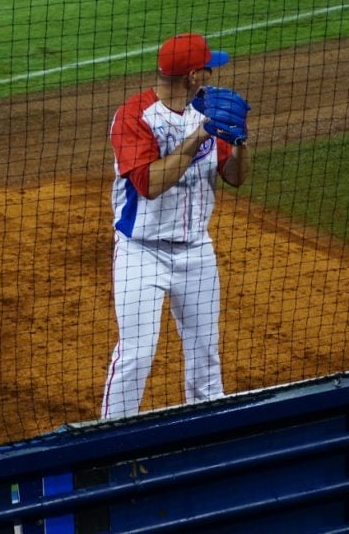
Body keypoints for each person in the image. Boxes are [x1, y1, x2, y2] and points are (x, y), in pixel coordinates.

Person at [100, 32, 252, 420]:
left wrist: (239, 142)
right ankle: (108, 442)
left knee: (206, 354)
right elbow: (149, 185)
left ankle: (207, 433)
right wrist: (198, 136)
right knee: (136, 354)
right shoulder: (134, 116)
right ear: (192, 77)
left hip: (197, 252)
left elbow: (235, 177)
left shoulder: (207, 111)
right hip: (141, 254)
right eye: (207, 68)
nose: (212, 74)